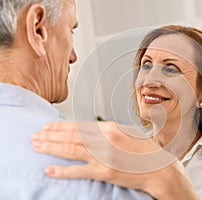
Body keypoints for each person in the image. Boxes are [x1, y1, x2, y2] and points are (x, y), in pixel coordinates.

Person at [32, 25, 202, 199]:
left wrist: (167, 179)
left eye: (171, 69)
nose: (149, 80)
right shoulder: (121, 156)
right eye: (146, 65)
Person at [0, 0, 152, 199]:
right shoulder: (91, 171)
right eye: (70, 30)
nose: (73, 57)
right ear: (38, 29)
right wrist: (173, 182)